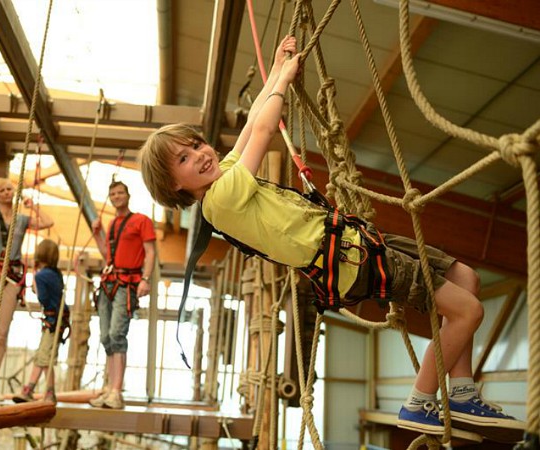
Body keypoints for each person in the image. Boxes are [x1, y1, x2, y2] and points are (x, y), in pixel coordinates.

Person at [137, 35, 525, 442]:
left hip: (357, 241)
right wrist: (285, 78)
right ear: (176, 188)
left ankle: (461, 392)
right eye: (184, 159)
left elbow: (252, 121)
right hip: (348, 261)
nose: (199, 154)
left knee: (467, 279)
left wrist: (273, 68)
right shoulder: (221, 200)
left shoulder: (225, 173)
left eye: (196, 144)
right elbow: (267, 128)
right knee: (469, 311)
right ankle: (420, 401)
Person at [0, 177, 54, 401]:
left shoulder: (21, 219)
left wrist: (32, 205)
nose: (6, 192)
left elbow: (47, 222)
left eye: (8, 189)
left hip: (11, 277)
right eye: (1, 190)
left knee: (1, 331)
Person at [89, 180, 156, 409]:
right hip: (109, 281)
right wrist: (97, 234)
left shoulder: (141, 221)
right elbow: (107, 254)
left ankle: (116, 391)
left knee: (117, 333)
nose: (116, 197)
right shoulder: (112, 223)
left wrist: (145, 280)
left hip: (127, 282)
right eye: (113, 194)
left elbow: (150, 251)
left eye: (120, 193)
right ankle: (109, 389)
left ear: (128, 195)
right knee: (106, 337)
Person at [13, 238, 69, 404]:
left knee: (45, 357)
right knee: (43, 357)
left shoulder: (42, 276)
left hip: (53, 321)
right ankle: (31, 389)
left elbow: (44, 299)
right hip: (57, 319)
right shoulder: (56, 273)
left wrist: (36, 285)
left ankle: (47, 393)